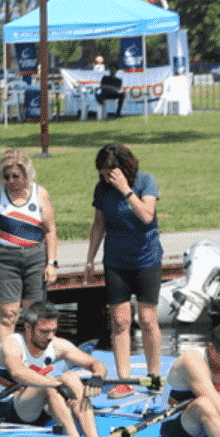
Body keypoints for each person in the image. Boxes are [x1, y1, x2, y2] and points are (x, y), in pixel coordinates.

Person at [84, 143, 163, 399]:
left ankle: (153, 375)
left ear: (124, 168)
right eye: (102, 172)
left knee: (148, 319)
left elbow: (147, 216)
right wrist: (90, 259)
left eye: (110, 172)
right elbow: (98, 225)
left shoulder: (145, 182)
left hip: (146, 259)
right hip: (116, 261)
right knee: (120, 321)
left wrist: (125, 190)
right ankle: (124, 378)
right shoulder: (102, 190)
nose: (106, 177)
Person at [0, 301, 110, 437]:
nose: (50, 336)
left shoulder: (56, 344)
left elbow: (95, 364)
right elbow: (18, 373)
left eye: (54, 330)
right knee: (50, 385)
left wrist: (98, 376)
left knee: (70, 378)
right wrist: (56, 384)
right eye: (44, 331)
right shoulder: (13, 344)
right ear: (28, 328)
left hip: (39, 409)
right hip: (6, 410)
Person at [0, 149, 59, 346]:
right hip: (5, 259)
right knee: (8, 314)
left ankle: (33, 360)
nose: (11, 181)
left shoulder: (40, 194)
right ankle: (5, 362)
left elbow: (50, 230)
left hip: (35, 258)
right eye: (6, 177)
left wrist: (51, 263)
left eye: (16, 176)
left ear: (26, 175)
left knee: (34, 315)